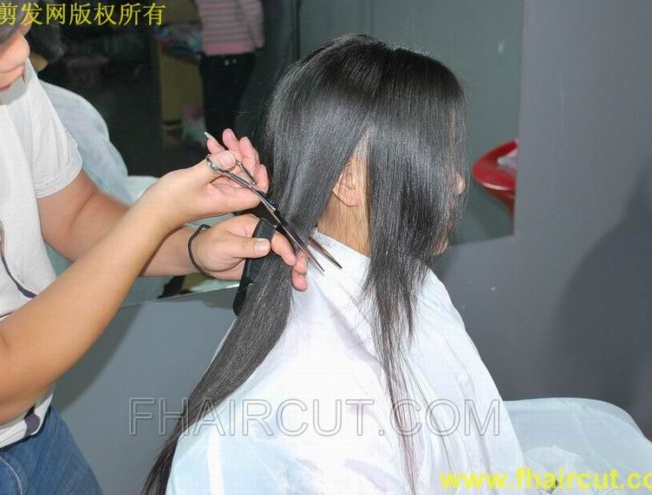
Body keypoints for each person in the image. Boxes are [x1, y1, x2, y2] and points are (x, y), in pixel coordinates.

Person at [0, 2, 306, 493]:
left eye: (16, 24)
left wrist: (195, 247)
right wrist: (156, 212)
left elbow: (76, 214)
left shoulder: (8, 79)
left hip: (37, 431)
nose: (20, 54)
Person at [144, 34, 528, 494]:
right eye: (434, 158)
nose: (458, 183)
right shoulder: (324, 403)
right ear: (348, 181)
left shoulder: (405, 278)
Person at [25, 17, 173, 304]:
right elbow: (108, 194)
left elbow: (81, 210)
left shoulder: (51, 108)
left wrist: (196, 247)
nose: (18, 51)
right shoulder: (64, 111)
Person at [196, 0, 264, 139]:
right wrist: (259, 42)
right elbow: (253, 10)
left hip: (212, 53)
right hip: (237, 51)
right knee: (225, 115)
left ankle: (223, 151)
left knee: (216, 115)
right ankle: (227, 151)